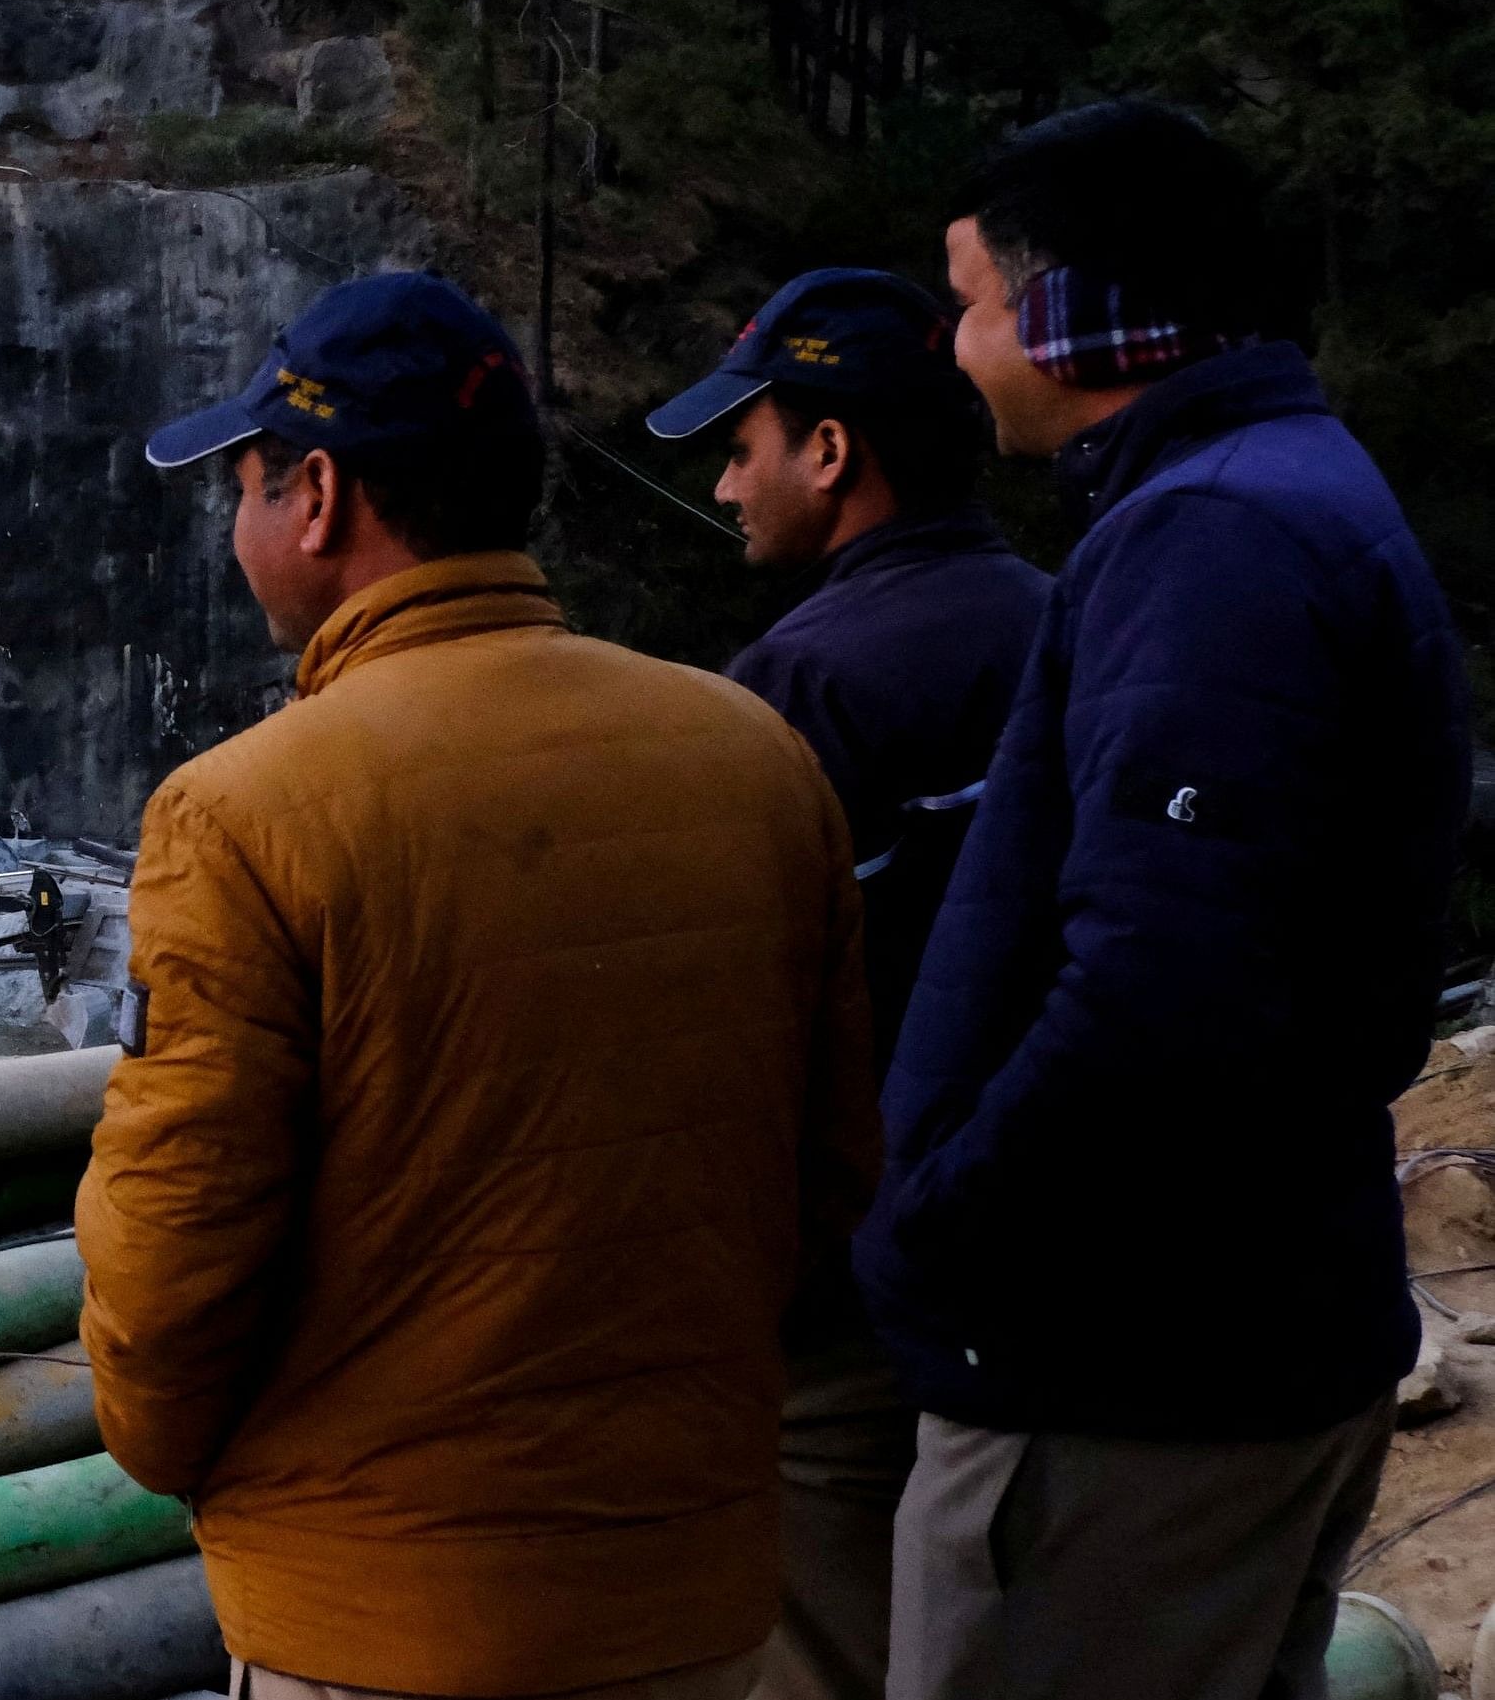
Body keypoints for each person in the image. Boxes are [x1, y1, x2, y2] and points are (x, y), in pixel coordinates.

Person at [79, 271, 879, 1700]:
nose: (239, 525)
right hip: (692, 1601)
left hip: (388, 1617)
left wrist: (177, 1452)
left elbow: (174, 1246)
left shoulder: (241, 814)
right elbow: (824, 1186)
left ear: (317, 497)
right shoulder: (753, 754)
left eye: (247, 486)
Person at [862, 100, 1467, 1700]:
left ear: (1073, 316)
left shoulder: (1214, 541)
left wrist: (937, 1223)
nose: (956, 339)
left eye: (976, 296)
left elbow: (1158, 992)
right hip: (1228, 1333)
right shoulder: (1268, 491)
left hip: (1125, 1387)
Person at [644, 270, 1052, 1700]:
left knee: (824, 1650)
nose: (724, 479)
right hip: (1030, 1249)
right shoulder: (1057, 619)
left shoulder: (806, 681)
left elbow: (731, 1014)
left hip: (849, 1293)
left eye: (745, 442)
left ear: (832, 453)